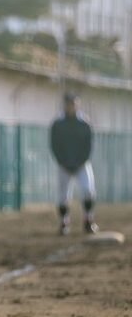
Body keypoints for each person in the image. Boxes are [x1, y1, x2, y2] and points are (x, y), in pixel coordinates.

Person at [49, 92, 98, 235]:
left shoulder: (84, 123)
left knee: (88, 190)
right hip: (64, 165)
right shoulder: (58, 124)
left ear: (78, 105)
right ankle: (64, 223)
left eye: (73, 104)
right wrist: (62, 161)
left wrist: (81, 161)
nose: (71, 107)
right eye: (68, 104)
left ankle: (88, 220)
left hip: (82, 164)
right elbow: (54, 145)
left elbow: (88, 146)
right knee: (63, 196)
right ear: (64, 105)